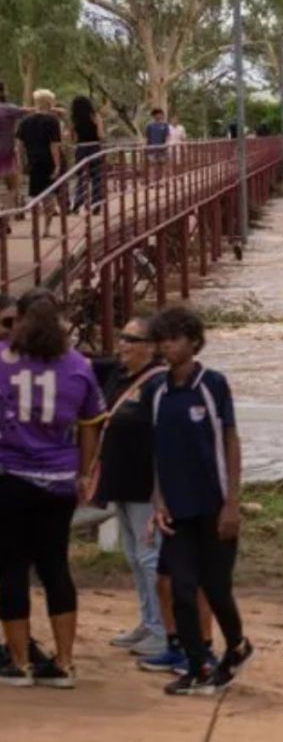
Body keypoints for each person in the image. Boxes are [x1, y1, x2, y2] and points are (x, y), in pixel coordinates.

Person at [0, 289, 106, 688]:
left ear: (21, 319)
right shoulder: (78, 366)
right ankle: (64, 663)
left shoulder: (2, 362)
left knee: (11, 569)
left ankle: (20, 663)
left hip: (11, 476)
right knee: (55, 567)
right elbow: (90, 423)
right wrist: (84, 472)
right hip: (60, 481)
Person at [147, 306, 254, 696]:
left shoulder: (212, 384)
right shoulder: (157, 392)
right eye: (162, 340)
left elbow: (230, 440)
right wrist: (158, 501)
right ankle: (198, 666)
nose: (167, 346)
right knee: (181, 590)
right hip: (177, 509)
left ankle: (238, 644)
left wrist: (232, 502)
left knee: (217, 587)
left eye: (174, 339)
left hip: (213, 506)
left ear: (193, 341)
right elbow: (157, 452)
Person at [89, 318, 169, 659]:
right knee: (134, 556)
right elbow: (75, 361)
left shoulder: (158, 384)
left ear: (152, 346)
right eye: (122, 336)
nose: (122, 344)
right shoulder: (118, 375)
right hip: (120, 481)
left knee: (151, 557)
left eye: (132, 339)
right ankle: (148, 621)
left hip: (145, 486)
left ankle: (164, 631)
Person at [17, 89, 63, 229]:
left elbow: (20, 145)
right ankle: (46, 229)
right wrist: (57, 164)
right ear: (49, 103)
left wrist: (21, 162)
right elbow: (54, 145)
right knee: (49, 195)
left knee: (35, 195)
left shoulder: (25, 121)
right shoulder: (52, 121)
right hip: (47, 160)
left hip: (33, 160)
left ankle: (35, 226)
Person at [68, 96, 105, 213]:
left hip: (81, 148)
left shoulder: (74, 120)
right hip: (94, 147)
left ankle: (77, 203)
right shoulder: (95, 117)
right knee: (96, 177)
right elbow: (100, 135)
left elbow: (72, 138)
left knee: (82, 177)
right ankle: (96, 204)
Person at [0, 84, 30, 208]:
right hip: (6, 153)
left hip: (7, 152)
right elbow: (28, 111)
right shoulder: (7, 108)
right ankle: (5, 215)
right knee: (12, 186)